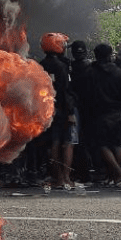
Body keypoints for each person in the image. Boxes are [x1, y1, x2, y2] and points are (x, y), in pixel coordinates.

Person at [82, 44, 121, 187]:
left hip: (100, 115)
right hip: (118, 113)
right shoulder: (119, 72)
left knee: (102, 145)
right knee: (118, 145)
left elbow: (85, 95)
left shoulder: (90, 72)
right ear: (109, 55)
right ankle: (115, 176)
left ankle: (119, 174)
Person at [39, 33, 78, 190]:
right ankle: (65, 178)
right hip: (62, 109)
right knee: (66, 142)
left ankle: (58, 177)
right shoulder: (62, 67)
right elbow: (65, 91)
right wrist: (70, 112)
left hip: (47, 109)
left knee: (53, 143)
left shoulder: (40, 65)